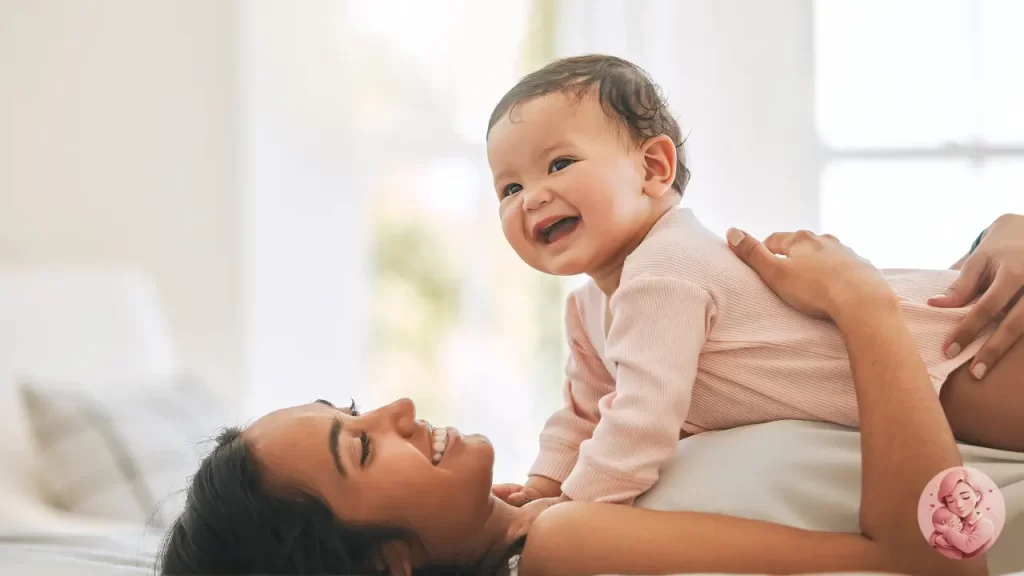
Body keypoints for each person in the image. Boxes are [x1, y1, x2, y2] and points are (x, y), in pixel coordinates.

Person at [159, 228, 994, 575]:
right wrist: (861, 307)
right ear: (386, 564)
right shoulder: (564, 542)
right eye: (364, 447)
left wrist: (994, 240)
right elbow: (920, 565)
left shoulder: (570, 502)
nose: (400, 408)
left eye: (356, 410)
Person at [485, 54, 1024, 507]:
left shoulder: (665, 270)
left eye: (559, 164)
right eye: (510, 188)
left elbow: (639, 425)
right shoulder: (587, 308)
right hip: (920, 380)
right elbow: (585, 413)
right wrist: (542, 485)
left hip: (956, 351)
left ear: (653, 169)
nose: (531, 198)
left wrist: (571, 510)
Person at [931, 468, 997, 560]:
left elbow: (968, 546)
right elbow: (937, 531)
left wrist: (947, 532)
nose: (959, 505)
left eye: (965, 497)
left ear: (977, 496)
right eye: (951, 501)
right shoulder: (953, 518)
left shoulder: (985, 525)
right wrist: (936, 539)